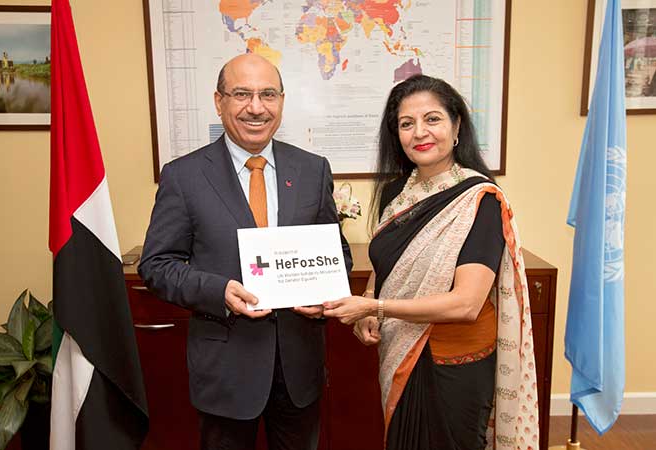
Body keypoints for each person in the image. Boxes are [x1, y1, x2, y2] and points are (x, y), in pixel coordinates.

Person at [139, 53, 352, 450]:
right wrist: (218, 291)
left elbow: (336, 251)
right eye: (242, 94)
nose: (256, 107)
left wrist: (323, 293)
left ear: (282, 102)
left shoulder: (312, 169)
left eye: (267, 94)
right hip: (226, 371)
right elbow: (157, 265)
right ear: (219, 102)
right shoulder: (183, 176)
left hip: (299, 368)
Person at [322, 75, 539, 450]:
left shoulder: (480, 200)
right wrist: (372, 303)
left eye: (432, 119)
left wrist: (375, 306)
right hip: (400, 352)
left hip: (453, 363)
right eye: (407, 124)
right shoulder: (397, 193)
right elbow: (386, 263)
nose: (419, 132)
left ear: (456, 127)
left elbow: (467, 304)